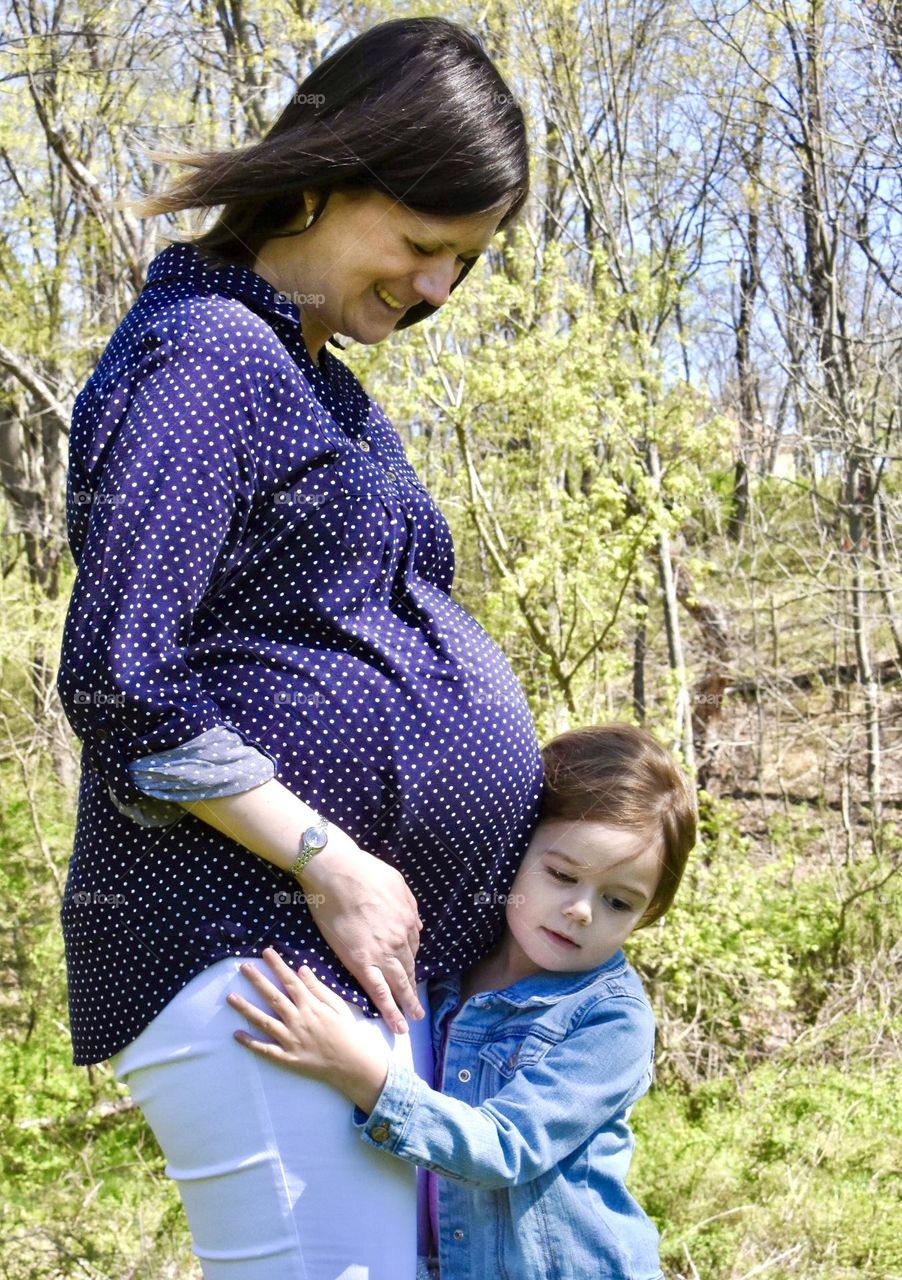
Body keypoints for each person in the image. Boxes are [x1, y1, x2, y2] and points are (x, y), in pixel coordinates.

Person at [55, 17, 543, 1279]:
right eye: (422, 244)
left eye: (464, 261)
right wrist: (328, 858)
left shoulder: (311, 376)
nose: (437, 290)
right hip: (251, 950)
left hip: (341, 966)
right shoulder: (208, 354)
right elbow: (119, 674)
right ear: (324, 177)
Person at [227, 722, 697, 1280]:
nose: (581, 910)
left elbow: (506, 1149)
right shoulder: (448, 963)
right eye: (561, 874)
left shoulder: (611, 1018)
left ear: (647, 913)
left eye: (618, 902)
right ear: (515, 847)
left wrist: (357, 1071)